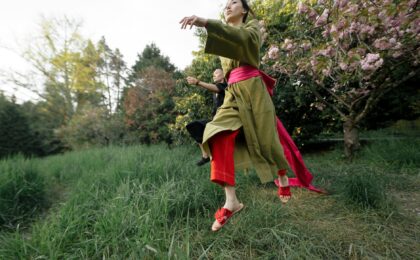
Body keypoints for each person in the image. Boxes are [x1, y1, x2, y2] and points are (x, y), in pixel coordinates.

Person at [180, 0, 322, 232]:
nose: (228, 6)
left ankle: (282, 175)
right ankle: (231, 201)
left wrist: (206, 23)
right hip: (233, 94)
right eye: (225, 4)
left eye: (234, 2)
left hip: (254, 89)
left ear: (244, 10)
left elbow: (244, 41)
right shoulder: (224, 38)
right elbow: (227, 72)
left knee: (267, 137)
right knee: (215, 134)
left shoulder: (252, 27)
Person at [185, 69, 227, 166]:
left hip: (224, 120)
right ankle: (205, 155)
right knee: (193, 126)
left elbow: (217, 88)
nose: (214, 75)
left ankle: (213, 153)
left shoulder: (226, 86)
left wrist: (198, 82)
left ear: (224, 74)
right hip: (215, 119)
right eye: (213, 74)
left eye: (216, 73)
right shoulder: (214, 92)